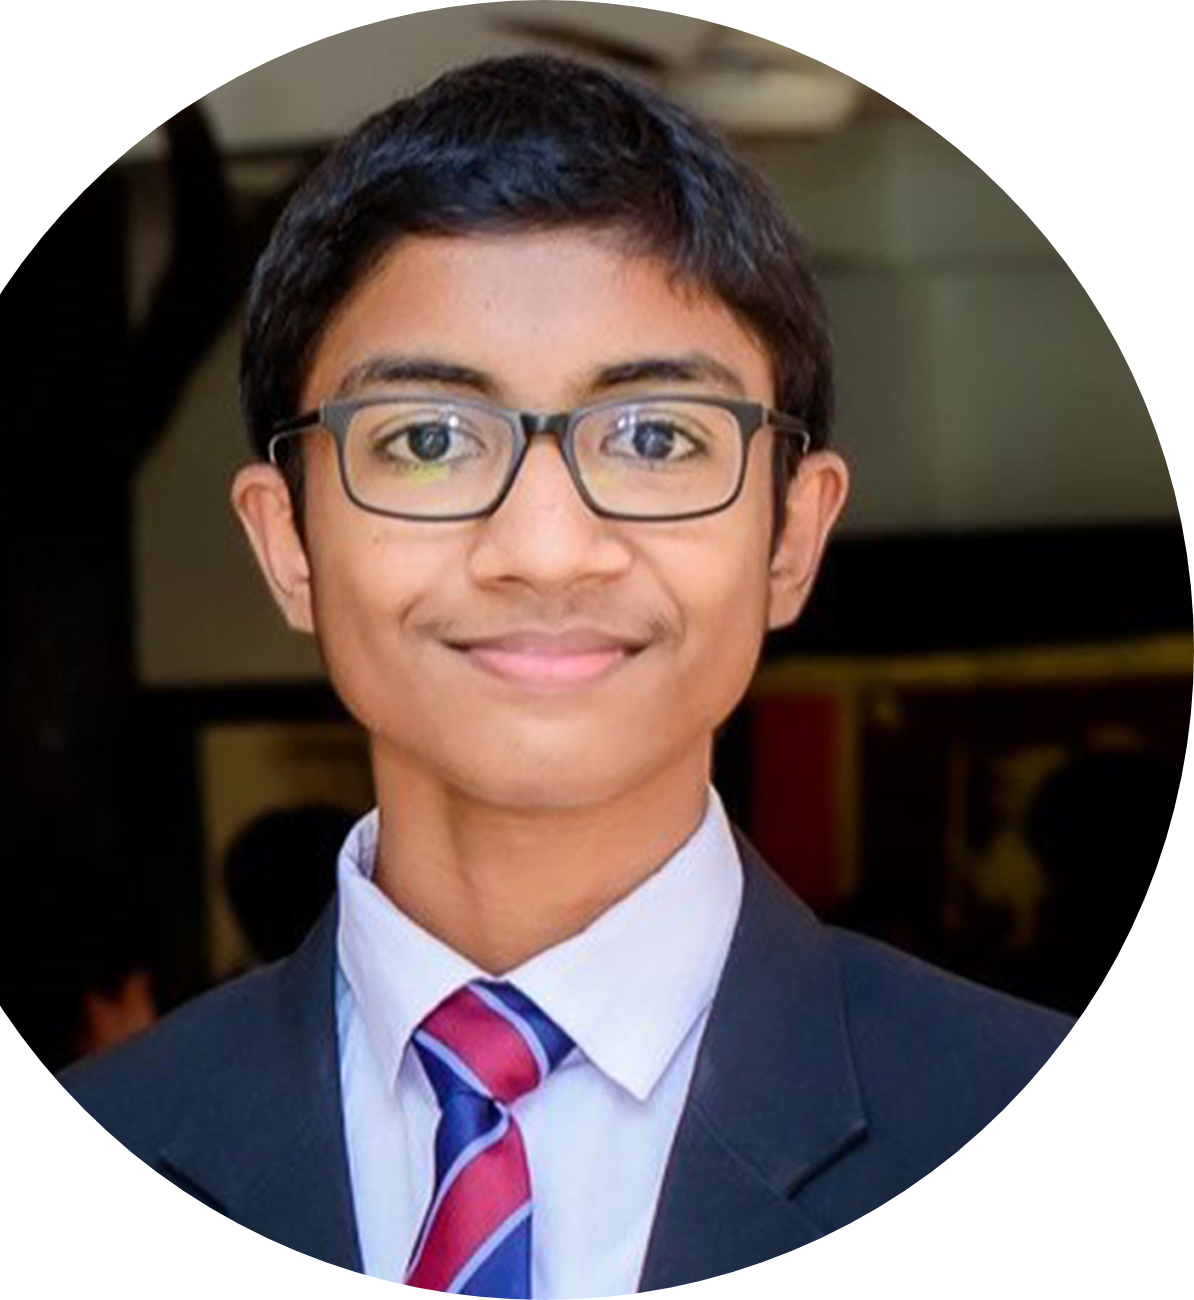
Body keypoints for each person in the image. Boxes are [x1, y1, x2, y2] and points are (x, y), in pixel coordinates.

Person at [58, 54, 1074, 1289]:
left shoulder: (994, 1091)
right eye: (426, 438)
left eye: (654, 435)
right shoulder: (118, 1122)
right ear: (288, 545)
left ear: (791, 539)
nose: (544, 549)